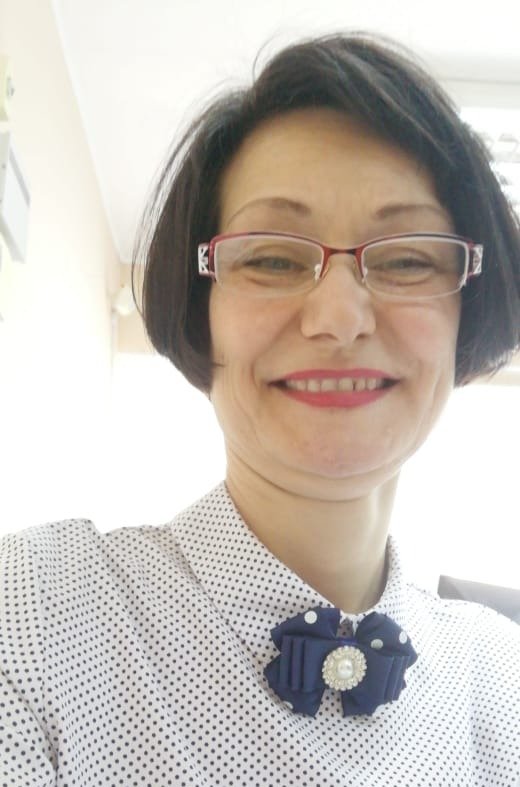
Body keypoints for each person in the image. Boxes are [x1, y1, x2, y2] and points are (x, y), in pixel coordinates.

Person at [1, 32, 519, 787]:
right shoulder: (34, 616)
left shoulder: (502, 678)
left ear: (467, 311)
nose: (339, 318)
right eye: (272, 258)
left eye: (407, 259)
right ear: (200, 307)